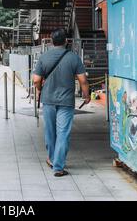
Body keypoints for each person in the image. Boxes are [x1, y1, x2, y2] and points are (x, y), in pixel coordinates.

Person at [32, 29, 90, 177]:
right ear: (66, 41)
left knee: (50, 132)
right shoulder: (74, 58)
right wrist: (86, 95)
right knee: (63, 133)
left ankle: (51, 159)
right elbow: (83, 80)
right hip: (66, 101)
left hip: (48, 100)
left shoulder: (44, 57)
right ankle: (58, 167)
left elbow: (36, 80)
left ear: (51, 41)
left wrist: (40, 89)